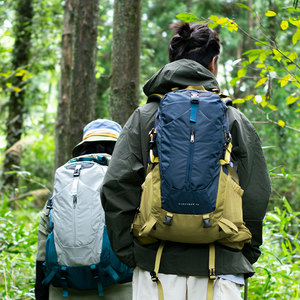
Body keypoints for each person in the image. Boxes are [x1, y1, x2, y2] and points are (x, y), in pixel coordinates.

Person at [100, 22, 271, 300]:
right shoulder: (233, 118)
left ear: (172, 62)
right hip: (221, 269)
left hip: (155, 267)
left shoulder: (144, 117)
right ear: (213, 64)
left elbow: (117, 186)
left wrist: (131, 253)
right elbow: (256, 192)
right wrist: (244, 253)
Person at [35, 119, 132, 300]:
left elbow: (43, 247)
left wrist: (41, 294)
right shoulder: (126, 183)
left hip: (64, 287)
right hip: (118, 285)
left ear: (83, 147)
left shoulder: (64, 183)